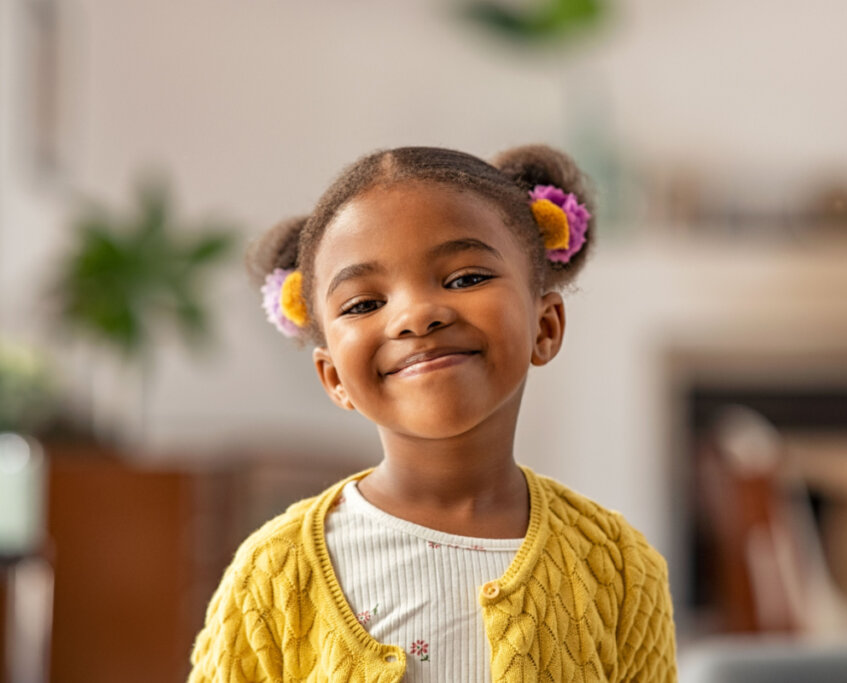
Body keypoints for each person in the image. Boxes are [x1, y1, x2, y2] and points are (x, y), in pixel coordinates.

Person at [188, 145, 677, 682]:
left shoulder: (622, 568)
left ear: (546, 326)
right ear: (332, 377)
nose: (416, 316)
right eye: (364, 303)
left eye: (465, 278)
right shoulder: (272, 575)